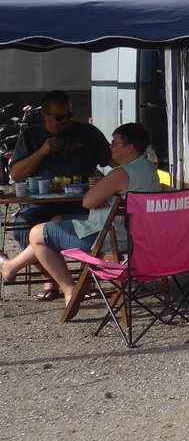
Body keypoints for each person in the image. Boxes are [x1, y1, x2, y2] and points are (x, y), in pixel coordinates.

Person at [0, 122, 158, 310]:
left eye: (115, 143)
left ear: (130, 148)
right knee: (56, 221)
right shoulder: (149, 169)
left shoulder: (121, 173)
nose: (110, 147)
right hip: (138, 235)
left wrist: (102, 192)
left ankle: (70, 288)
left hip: (110, 237)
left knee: (36, 233)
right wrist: (107, 194)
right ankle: (11, 267)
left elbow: (87, 202)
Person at [7, 90, 111, 299]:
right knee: (23, 229)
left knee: (89, 226)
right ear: (44, 115)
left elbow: (113, 160)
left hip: (80, 201)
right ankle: (52, 278)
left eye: (69, 115)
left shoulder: (87, 132)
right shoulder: (32, 136)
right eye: (60, 117)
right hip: (41, 202)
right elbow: (16, 174)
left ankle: (82, 281)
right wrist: (42, 151)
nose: (66, 121)